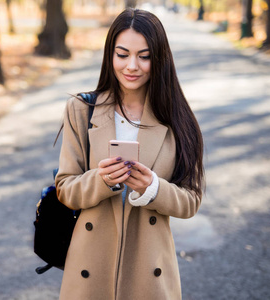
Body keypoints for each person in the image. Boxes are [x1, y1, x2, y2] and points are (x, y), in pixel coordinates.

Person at [55, 8, 204, 300]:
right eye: (122, 54)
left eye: (144, 56)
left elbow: (191, 200)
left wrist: (153, 188)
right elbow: (65, 188)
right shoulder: (81, 110)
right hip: (90, 267)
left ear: (159, 58)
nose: (132, 66)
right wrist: (102, 180)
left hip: (149, 270)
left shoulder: (178, 118)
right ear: (110, 55)